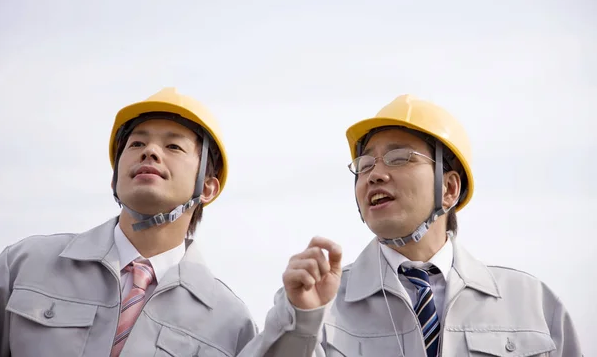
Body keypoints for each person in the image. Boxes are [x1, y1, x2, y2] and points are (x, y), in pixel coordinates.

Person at [241, 94, 583, 356]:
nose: (374, 174)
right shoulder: (317, 303)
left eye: (399, 157)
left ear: (448, 188)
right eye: (364, 164)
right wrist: (301, 322)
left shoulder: (533, 303)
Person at [0, 87, 257, 356]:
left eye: (173, 146)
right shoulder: (23, 264)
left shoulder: (232, 323)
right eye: (136, 144)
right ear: (115, 178)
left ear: (207, 188)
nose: (150, 152)